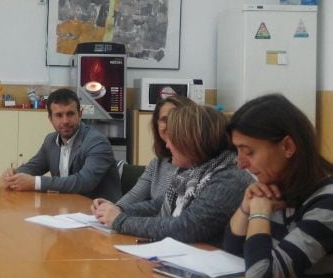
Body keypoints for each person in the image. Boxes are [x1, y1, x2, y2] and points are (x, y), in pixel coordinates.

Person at [93, 103, 252, 244]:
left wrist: (120, 220)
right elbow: (158, 205)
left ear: (191, 142)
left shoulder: (229, 177)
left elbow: (186, 227)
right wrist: (116, 210)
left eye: (172, 138)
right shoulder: (192, 171)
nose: (167, 145)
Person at [223, 94, 333, 278]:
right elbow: (232, 255)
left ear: (287, 147)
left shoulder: (327, 202)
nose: (240, 164)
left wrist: (259, 213)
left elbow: (261, 277)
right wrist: (246, 208)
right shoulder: (277, 187)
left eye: (248, 152)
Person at [2, 88, 120, 200]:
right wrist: (14, 174)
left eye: (70, 114)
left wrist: (35, 183)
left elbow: (84, 182)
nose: (65, 121)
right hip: (67, 210)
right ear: (50, 118)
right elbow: (33, 167)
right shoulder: (50, 141)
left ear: (80, 114)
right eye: (59, 115)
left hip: (99, 214)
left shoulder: (97, 142)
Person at [92, 96, 192, 214]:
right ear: (157, 124)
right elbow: (134, 196)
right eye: (164, 119)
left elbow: (164, 208)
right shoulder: (157, 163)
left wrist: (119, 212)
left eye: (176, 119)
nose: (171, 124)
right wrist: (113, 208)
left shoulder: (198, 168)